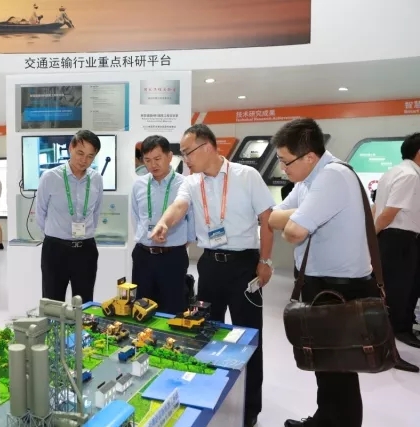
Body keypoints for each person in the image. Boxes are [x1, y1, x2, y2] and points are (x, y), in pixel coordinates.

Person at [150, 124, 274, 427]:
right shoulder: (192, 182)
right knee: (205, 332)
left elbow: (266, 218)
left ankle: (250, 408)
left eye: (187, 152)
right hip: (210, 266)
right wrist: (164, 222)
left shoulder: (247, 176)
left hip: (245, 266)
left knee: (249, 336)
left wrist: (266, 260)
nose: (185, 159)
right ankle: (210, 395)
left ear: (207, 147)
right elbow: (178, 206)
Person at [267, 118, 378, 427]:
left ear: (309, 156)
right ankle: (325, 419)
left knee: (340, 369)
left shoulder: (333, 177)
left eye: (286, 161)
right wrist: (299, 217)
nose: (282, 169)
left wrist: (296, 220)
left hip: (339, 288)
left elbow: (293, 231)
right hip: (320, 284)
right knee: (325, 365)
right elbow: (274, 218)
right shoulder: (308, 179)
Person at [36, 129, 104, 303]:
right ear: (70, 148)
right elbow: (40, 213)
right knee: (53, 302)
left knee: (84, 302)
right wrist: (56, 236)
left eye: (90, 156)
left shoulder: (96, 179)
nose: (84, 160)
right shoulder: (50, 177)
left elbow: (95, 212)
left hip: (86, 250)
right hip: (55, 249)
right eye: (80, 153)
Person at [130, 135, 195, 314]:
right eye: (147, 160)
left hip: (172, 257)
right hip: (143, 257)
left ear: (169, 156)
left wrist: (177, 245)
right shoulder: (138, 185)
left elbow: (191, 221)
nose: (153, 165)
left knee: (173, 310)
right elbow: (136, 217)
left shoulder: (185, 185)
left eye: (157, 158)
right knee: (141, 309)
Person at [373, 132, 420, 369]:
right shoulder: (410, 176)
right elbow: (388, 213)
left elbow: (377, 208)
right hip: (398, 239)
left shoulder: (394, 172)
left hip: (396, 239)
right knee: (396, 293)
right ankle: (388, 352)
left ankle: (397, 336)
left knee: (400, 291)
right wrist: (371, 237)